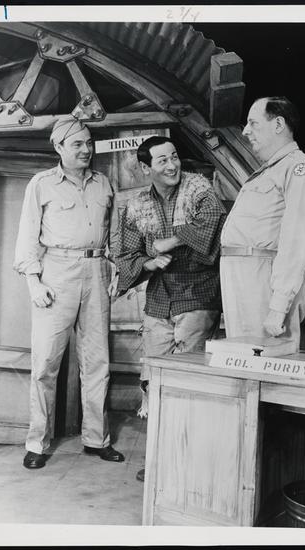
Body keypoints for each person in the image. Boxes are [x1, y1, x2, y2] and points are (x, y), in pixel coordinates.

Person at [112, 136, 226, 481]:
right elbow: (126, 255)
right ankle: (161, 461)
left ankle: (189, 465)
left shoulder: (199, 189)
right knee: (155, 381)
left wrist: (168, 241)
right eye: (162, 160)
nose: (172, 165)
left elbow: (211, 221)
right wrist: (148, 262)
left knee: (189, 382)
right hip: (159, 296)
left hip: (198, 293)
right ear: (145, 167)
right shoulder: (137, 205)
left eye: (174, 157)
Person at [14, 115, 124, 469]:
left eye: (89, 143)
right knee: (45, 363)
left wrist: (116, 269)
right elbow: (27, 236)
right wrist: (34, 281)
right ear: (58, 147)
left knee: (97, 362)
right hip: (56, 273)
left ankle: (96, 439)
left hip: (97, 270)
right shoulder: (42, 184)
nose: (86, 150)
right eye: (77, 144)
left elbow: (114, 234)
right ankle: (37, 442)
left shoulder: (104, 183)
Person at [220, 96, 305, 347]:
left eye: (253, 123)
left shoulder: (301, 167)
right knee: (242, 356)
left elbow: (298, 238)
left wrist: (279, 305)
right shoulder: (268, 171)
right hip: (243, 277)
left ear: (278, 124)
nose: (245, 131)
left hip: (262, 280)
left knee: (265, 357)